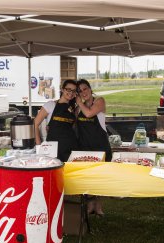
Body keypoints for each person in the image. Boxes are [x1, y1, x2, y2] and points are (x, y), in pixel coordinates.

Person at [75, 79, 112, 216]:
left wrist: (79, 102)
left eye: (85, 89)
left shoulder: (99, 101)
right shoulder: (78, 108)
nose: (83, 92)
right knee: (87, 178)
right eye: (79, 91)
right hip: (85, 148)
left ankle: (98, 206)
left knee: (99, 178)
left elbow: (89, 113)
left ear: (90, 89)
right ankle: (90, 205)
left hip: (101, 148)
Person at [34, 79, 78, 162]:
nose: (71, 93)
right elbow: (35, 124)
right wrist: (39, 145)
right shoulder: (50, 105)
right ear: (62, 89)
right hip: (53, 150)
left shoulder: (73, 109)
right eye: (68, 89)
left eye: (74, 91)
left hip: (71, 148)